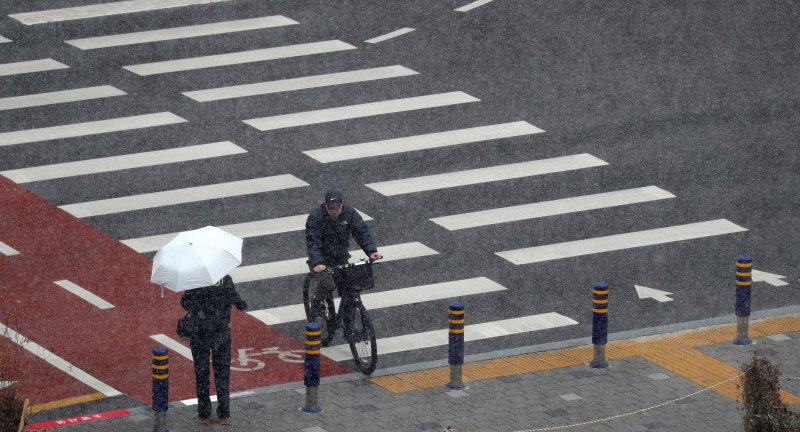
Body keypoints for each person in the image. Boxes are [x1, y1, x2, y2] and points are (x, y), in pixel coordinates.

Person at [180, 275, 247, 426]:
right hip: (221, 333)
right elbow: (239, 302)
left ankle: (204, 414)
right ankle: (224, 414)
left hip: (200, 333)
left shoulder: (195, 280)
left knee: (201, 373)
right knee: (222, 374)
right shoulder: (225, 279)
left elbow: (185, 302)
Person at [305, 190, 382, 296]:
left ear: (342, 204)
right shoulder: (316, 216)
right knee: (328, 286)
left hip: (341, 258)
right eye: (331, 209)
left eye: (337, 208)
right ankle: (316, 309)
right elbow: (313, 242)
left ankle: (345, 312)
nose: (334, 212)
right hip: (321, 260)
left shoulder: (349, 213)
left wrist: (371, 251)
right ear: (325, 205)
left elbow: (362, 232)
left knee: (350, 290)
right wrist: (318, 262)